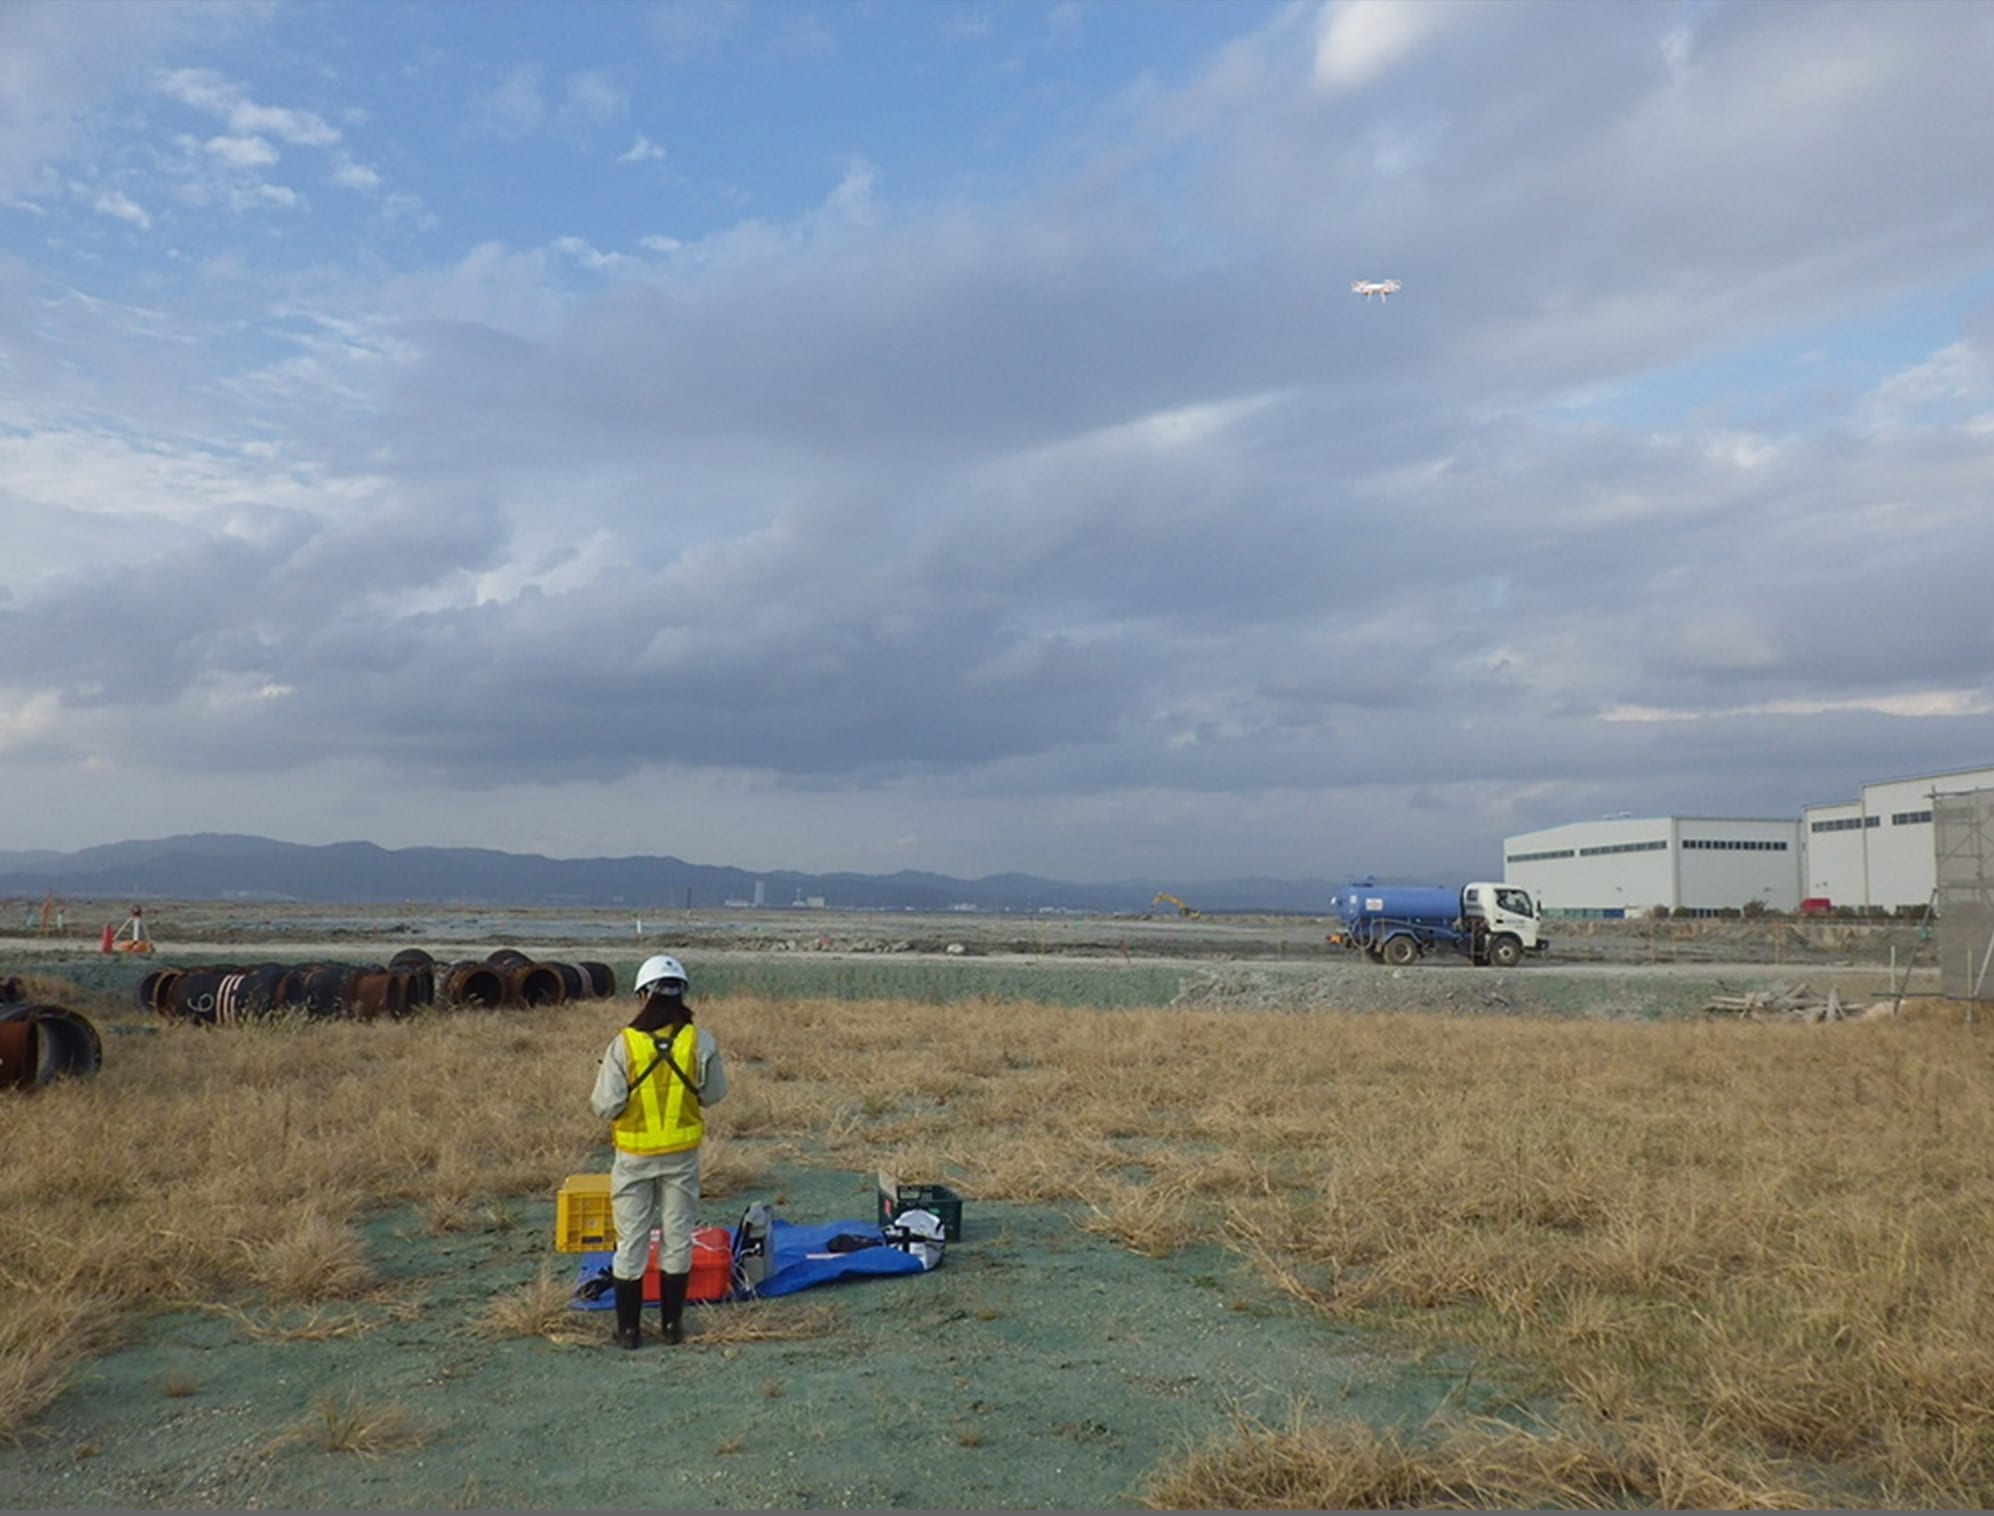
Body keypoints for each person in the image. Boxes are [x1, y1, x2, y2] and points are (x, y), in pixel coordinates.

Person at [589, 953, 729, 1348]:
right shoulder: (699, 1040)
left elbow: (605, 1106)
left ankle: (629, 1331)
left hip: (633, 1158)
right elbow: (715, 1094)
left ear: (644, 995)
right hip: (681, 1158)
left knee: (631, 1241)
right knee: (678, 1237)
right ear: (681, 992)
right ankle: (672, 1328)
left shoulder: (624, 1044)